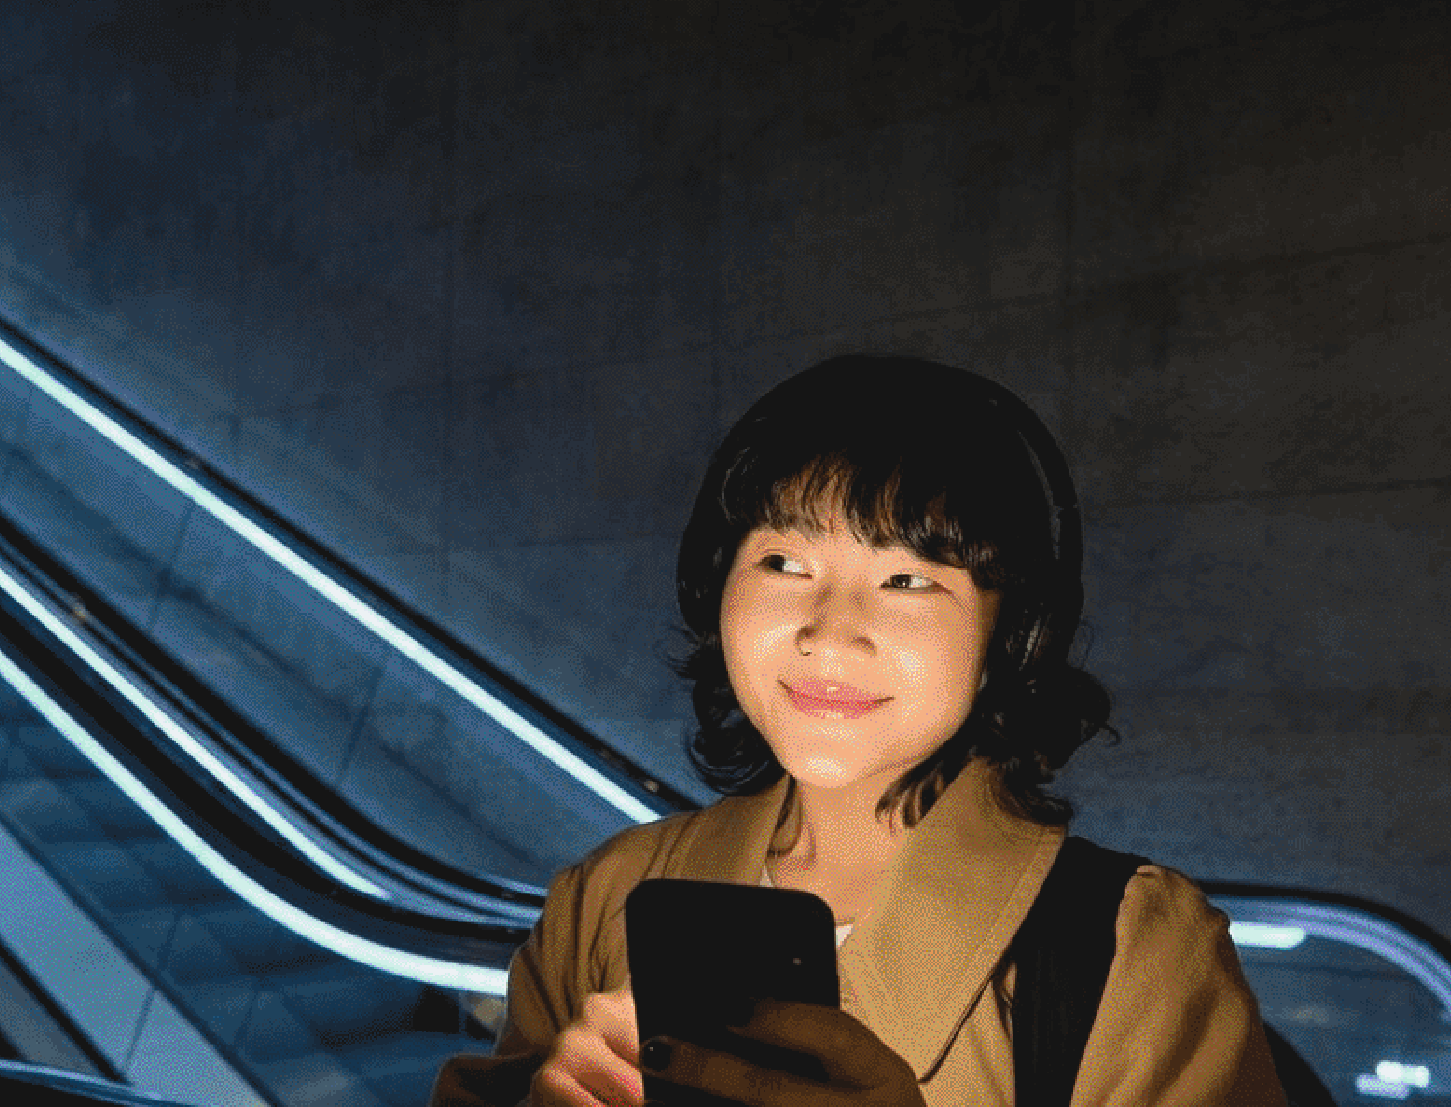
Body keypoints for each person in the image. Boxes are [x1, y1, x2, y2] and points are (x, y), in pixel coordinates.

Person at [431, 354, 1287, 1106]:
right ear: (715, 589)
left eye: (909, 580)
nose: (830, 630)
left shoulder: (1133, 948)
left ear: (1008, 634)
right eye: (784, 563)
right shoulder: (605, 897)